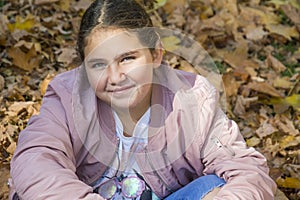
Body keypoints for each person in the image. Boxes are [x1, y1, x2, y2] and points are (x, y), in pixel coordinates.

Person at [9, 0, 277, 199]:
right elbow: (35, 159)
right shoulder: (68, 96)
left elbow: (244, 167)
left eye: (127, 58)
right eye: (99, 64)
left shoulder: (192, 98)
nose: (115, 77)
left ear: (156, 54)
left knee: (213, 186)